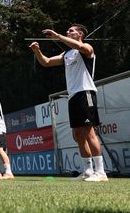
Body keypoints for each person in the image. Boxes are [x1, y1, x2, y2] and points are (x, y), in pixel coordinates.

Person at [30, 24, 107, 182]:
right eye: (67, 31)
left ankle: (101, 172)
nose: (68, 32)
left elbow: (79, 45)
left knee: (88, 132)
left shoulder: (86, 47)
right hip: (73, 97)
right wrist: (37, 51)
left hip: (85, 93)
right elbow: (46, 62)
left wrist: (57, 36)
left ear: (80, 33)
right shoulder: (66, 54)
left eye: (71, 31)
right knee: (77, 135)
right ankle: (87, 170)